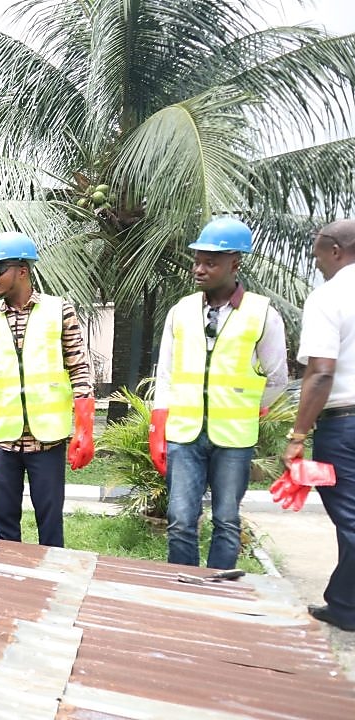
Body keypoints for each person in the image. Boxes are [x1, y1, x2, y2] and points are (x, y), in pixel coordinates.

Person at [149, 217, 287, 569]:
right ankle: (183, 587)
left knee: (226, 519)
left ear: (234, 264)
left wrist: (247, 406)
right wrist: (159, 426)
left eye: (210, 262)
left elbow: (277, 378)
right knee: (180, 519)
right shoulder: (181, 311)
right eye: (197, 260)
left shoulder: (262, 315)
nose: (199, 269)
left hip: (234, 439)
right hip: (185, 434)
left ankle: (219, 592)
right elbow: (164, 374)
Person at [0, 232, 95, 547]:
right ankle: (14, 586)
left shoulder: (59, 310)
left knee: (50, 523)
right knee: (4, 525)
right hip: (1, 441)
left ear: (23, 270)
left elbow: (79, 369)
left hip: (46, 440)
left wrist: (84, 429)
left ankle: (51, 584)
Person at [280, 219, 355, 631]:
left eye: (318, 257)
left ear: (336, 251)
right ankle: (344, 603)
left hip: (345, 424)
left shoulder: (331, 296)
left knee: (350, 518)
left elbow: (321, 372)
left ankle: (345, 605)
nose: (318, 266)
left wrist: (298, 435)